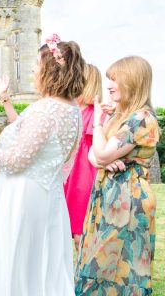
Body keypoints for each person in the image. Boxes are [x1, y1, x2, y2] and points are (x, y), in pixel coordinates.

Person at [0, 38, 86, 296]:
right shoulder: (73, 110)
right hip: (48, 194)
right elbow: (44, 156)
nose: (33, 71)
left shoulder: (44, 110)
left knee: (17, 261)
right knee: (43, 264)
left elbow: (16, 159)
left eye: (36, 65)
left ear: (50, 70)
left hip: (23, 199)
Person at [75, 56, 159, 296]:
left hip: (129, 202)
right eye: (109, 80)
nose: (109, 85)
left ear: (133, 81)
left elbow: (99, 155)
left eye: (115, 80)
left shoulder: (141, 119)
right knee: (97, 264)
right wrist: (103, 157)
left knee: (121, 269)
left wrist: (100, 125)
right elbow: (94, 156)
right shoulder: (121, 117)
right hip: (109, 197)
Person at [63, 64, 103, 248]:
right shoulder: (71, 111)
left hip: (82, 178)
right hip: (68, 176)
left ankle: (83, 276)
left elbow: (95, 148)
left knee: (81, 234)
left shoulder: (95, 113)